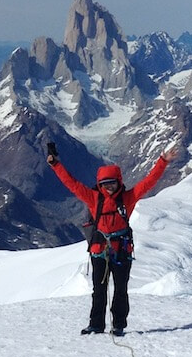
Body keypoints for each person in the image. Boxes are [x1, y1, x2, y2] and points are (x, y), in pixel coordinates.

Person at [47, 144, 179, 336]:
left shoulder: (128, 198)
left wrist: (163, 161)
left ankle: (118, 325)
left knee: (120, 289)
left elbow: (149, 182)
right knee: (98, 289)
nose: (109, 188)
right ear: (99, 185)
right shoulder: (94, 198)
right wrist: (56, 165)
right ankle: (97, 324)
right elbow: (72, 184)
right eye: (105, 184)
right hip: (103, 250)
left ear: (119, 182)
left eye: (112, 184)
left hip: (118, 250)